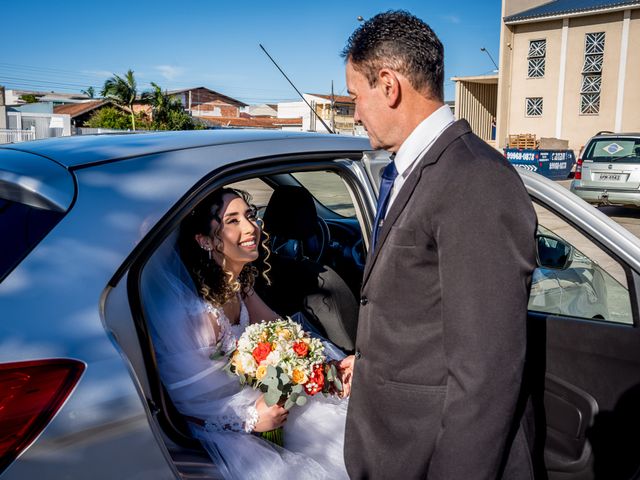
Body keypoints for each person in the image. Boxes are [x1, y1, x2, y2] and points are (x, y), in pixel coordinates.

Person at [339, 11, 540, 479]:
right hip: (395, 445)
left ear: (388, 85)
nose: (355, 113)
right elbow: (421, 312)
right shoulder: (412, 169)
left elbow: (487, 374)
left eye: (355, 96)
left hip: (433, 454)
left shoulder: (475, 182)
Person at [143, 188, 350, 480]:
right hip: (227, 428)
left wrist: (326, 370)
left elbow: (286, 333)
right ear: (204, 241)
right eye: (233, 221)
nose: (251, 227)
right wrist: (249, 420)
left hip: (265, 402)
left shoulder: (239, 284)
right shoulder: (194, 316)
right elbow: (180, 403)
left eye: (250, 216)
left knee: (344, 423)